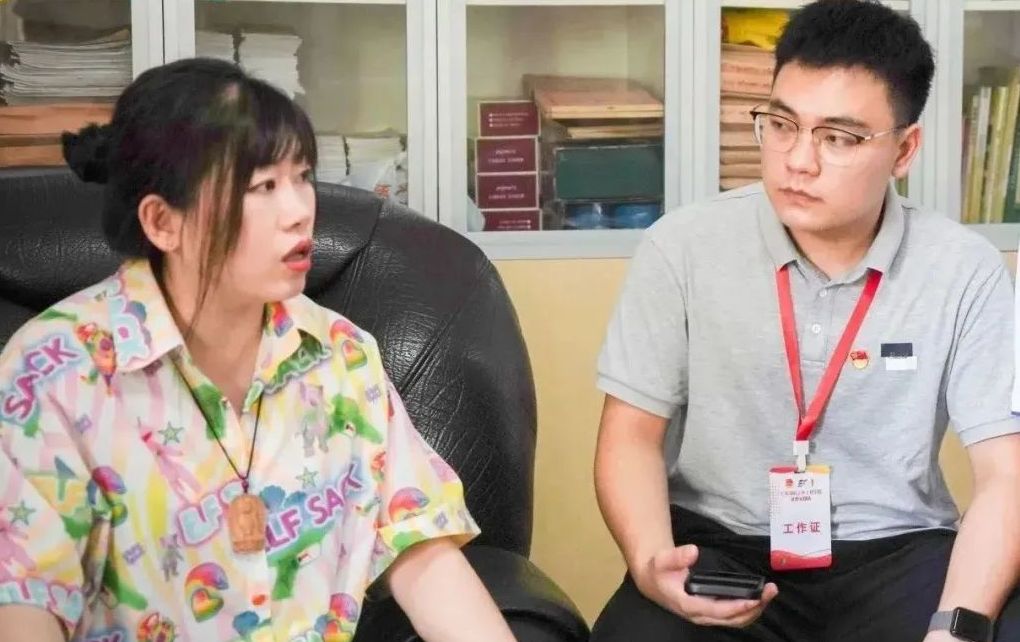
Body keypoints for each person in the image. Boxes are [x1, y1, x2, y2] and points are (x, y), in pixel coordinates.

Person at [0, 58, 517, 642]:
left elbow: (421, 550)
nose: (300, 212)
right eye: (262, 187)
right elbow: (24, 599)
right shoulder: (53, 371)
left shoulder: (340, 354)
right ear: (163, 222)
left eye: (302, 177)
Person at [590, 1, 1020, 641]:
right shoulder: (681, 248)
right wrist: (652, 563)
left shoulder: (964, 269)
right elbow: (630, 437)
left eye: (838, 138)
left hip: (898, 551)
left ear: (905, 150)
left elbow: (1007, 475)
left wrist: (955, 629)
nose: (798, 160)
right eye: (782, 124)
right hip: (723, 546)